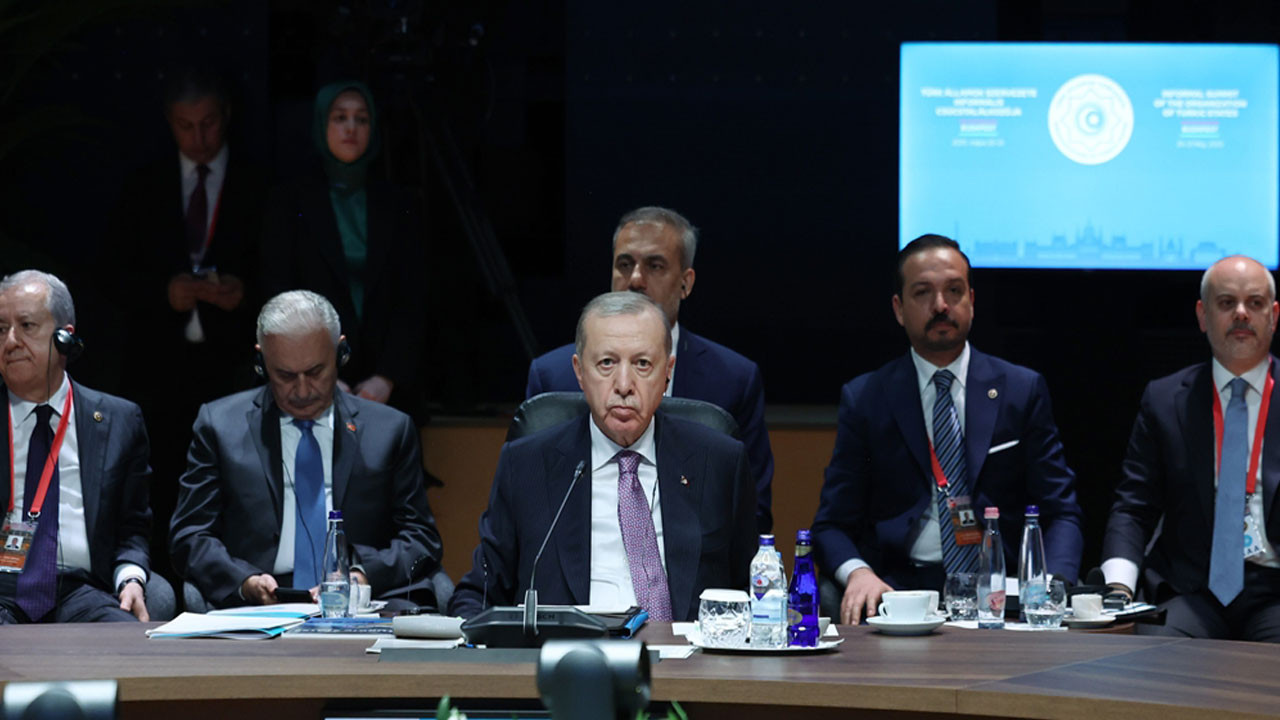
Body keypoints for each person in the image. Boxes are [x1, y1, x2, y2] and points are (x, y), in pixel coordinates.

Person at [812, 234, 1084, 624]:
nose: (941, 305)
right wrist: (859, 574)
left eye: (954, 291)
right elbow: (831, 525)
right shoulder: (867, 398)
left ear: (971, 300)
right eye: (923, 293)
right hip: (899, 591)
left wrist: (1050, 586)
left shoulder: (1020, 390)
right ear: (899, 309)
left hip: (1001, 590)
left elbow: (1061, 511)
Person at [450, 292, 755, 622]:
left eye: (642, 364)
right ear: (580, 371)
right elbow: (479, 593)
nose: (623, 385)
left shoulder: (719, 462)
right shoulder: (526, 466)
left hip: (684, 653)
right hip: (567, 651)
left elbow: (754, 592)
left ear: (667, 371)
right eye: (607, 363)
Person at [169, 290, 443, 610]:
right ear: (261, 362)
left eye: (315, 372)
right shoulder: (219, 426)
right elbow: (189, 535)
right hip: (259, 603)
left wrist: (363, 575)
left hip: (361, 598)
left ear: (341, 353)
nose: (302, 391)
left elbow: (422, 538)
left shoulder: (390, 430)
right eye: (285, 375)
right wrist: (244, 580)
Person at [525, 206, 774, 534]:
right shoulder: (552, 375)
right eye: (624, 265)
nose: (635, 280)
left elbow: (751, 516)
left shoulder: (733, 379)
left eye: (655, 266)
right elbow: (527, 512)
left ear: (686, 282)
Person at [110, 66, 264, 584]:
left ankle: (233, 584)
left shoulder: (257, 182)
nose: (199, 137)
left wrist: (244, 294)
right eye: (185, 126)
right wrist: (165, 292)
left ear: (227, 116)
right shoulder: (145, 182)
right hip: (160, 371)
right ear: (169, 122)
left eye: (209, 123)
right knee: (161, 487)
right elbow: (112, 274)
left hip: (235, 368)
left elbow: (281, 270)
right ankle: (157, 587)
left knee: (235, 486)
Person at [1103, 255, 1280, 641]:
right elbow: (1134, 506)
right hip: (1192, 589)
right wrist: (1118, 587)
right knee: (1152, 650)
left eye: (1254, 303)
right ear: (1203, 315)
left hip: (1274, 591)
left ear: (1274, 315)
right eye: (1226, 302)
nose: (1241, 314)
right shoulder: (1165, 400)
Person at [260, 81, 427, 422]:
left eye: (361, 119)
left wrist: (387, 377)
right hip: (306, 382)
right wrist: (320, 374)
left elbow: (413, 297)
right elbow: (279, 294)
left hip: (387, 388)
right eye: (340, 118)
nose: (351, 128)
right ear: (321, 125)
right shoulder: (290, 201)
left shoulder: (398, 203)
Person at [0, 270, 153, 623]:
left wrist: (131, 577)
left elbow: (132, 528)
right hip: (3, 590)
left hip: (83, 590)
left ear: (64, 339)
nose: (10, 341)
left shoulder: (119, 420)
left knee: (126, 642)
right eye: (1, 329)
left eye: (26, 326)